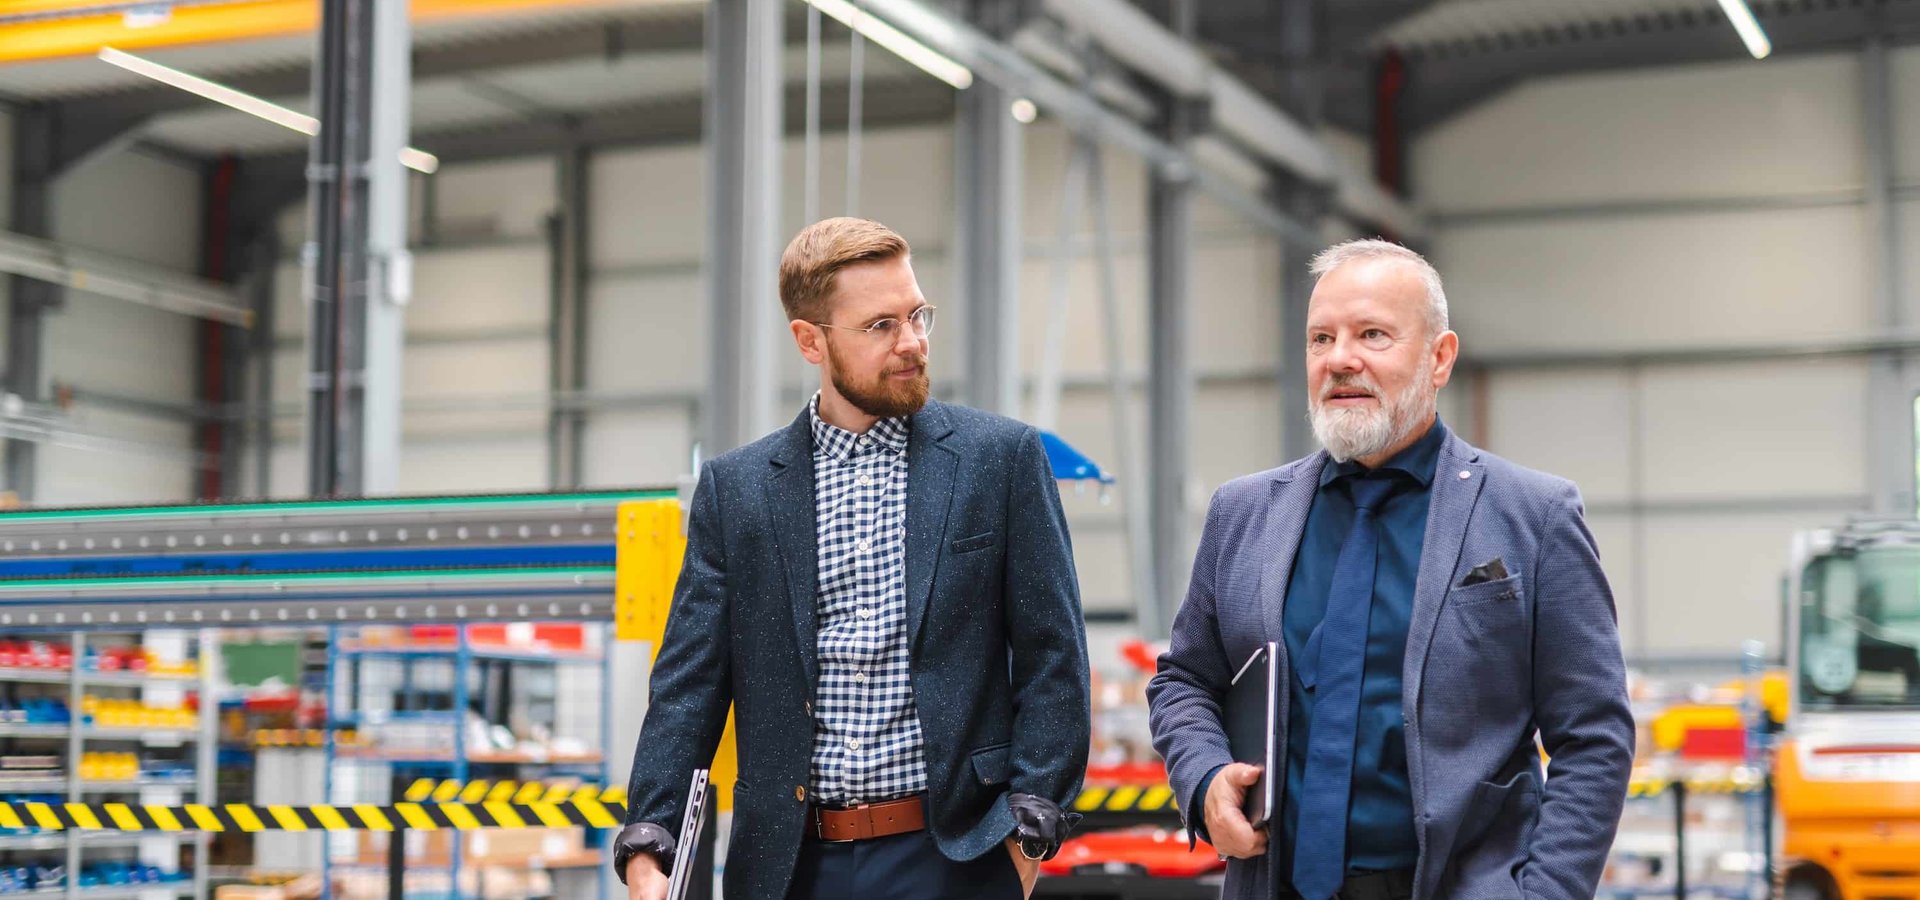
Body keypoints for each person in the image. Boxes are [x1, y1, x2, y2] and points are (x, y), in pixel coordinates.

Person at [615, 217, 1091, 900]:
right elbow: (688, 683)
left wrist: (1029, 825)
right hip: (790, 867)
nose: (913, 343)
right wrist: (649, 838)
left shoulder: (998, 461)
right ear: (810, 340)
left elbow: (1054, 655)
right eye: (880, 326)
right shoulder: (739, 491)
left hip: (956, 855)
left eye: (917, 315)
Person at [1146, 239, 1634, 900]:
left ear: (1440, 357)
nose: (1340, 358)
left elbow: (1594, 736)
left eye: (1372, 334)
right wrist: (1204, 780)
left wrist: (1543, 892)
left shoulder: (1533, 514)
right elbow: (1185, 678)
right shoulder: (1244, 512)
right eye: (1321, 338)